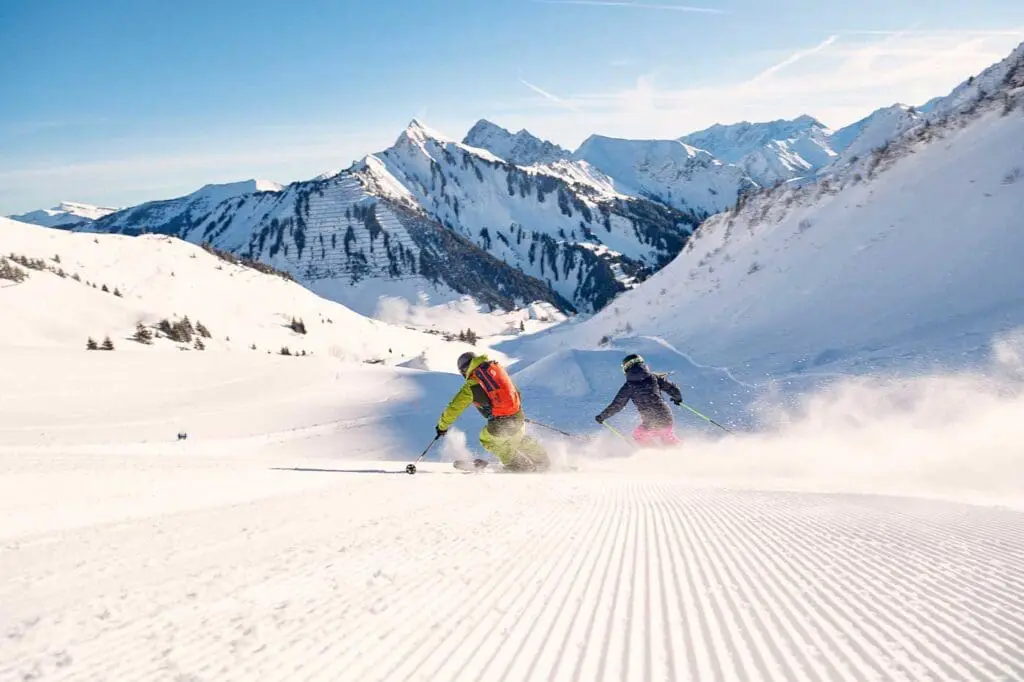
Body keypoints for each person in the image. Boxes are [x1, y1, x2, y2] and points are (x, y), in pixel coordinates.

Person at [435, 352, 550, 472]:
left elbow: (454, 407)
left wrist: (442, 426)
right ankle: (543, 461)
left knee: (487, 439)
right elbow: (513, 390)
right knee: (516, 438)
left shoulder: (473, 384)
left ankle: (519, 465)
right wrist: (511, 412)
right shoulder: (495, 370)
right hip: (517, 413)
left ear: (464, 369)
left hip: (502, 420)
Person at [595, 354, 683, 447]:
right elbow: (672, 388)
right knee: (666, 435)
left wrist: (602, 416)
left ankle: (656, 454)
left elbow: (617, 405)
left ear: (626, 367)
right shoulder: (654, 377)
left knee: (639, 435)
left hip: (651, 422)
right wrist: (677, 398)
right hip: (666, 417)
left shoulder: (629, 386)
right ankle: (681, 451)